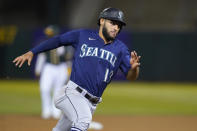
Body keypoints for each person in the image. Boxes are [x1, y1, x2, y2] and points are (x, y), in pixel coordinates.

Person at [13, 7, 141, 131]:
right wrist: (32, 52)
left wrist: (134, 69)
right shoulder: (83, 35)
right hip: (72, 93)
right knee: (83, 120)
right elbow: (58, 40)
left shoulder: (121, 49)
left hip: (91, 103)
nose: (116, 28)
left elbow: (130, 77)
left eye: (119, 26)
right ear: (102, 21)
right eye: (113, 23)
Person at [34, 25, 71, 119]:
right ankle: (46, 110)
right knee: (44, 88)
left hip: (61, 67)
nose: (48, 35)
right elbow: (41, 57)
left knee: (58, 90)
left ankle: (56, 111)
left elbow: (68, 59)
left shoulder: (63, 43)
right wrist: (38, 70)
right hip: (48, 67)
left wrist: (69, 70)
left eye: (50, 33)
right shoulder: (44, 43)